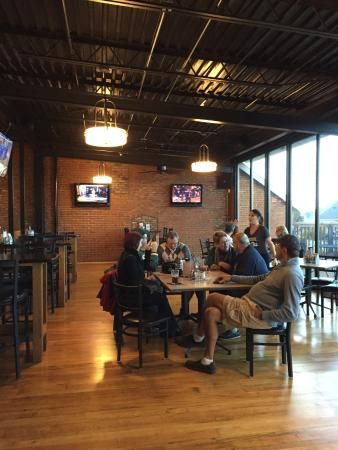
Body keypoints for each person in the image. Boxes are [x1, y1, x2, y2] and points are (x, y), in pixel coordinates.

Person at [176, 234, 303, 374]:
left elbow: (292, 313)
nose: (274, 248)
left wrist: (264, 314)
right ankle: (207, 361)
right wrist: (232, 277)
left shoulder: (292, 274)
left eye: (277, 246)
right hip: (248, 305)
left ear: (284, 251)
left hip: (256, 313)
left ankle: (197, 337)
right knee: (210, 313)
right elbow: (259, 278)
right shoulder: (282, 267)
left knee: (212, 297)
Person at [117, 231, 178, 336]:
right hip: (132, 297)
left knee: (160, 293)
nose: (142, 243)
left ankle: (166, 327)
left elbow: (146, 267)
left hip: (129, 293)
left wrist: (148, 252)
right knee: (161, 296)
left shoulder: (129, 254)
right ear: (135, 243)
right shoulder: (130, 259)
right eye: (141, 241)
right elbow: (137, 281)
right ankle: (170, 330)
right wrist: (150, 283)